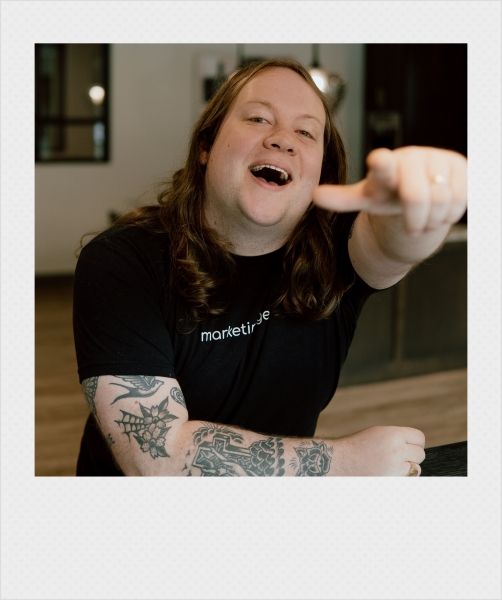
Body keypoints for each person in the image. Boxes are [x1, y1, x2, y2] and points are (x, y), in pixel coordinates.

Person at [73, 58, 467, 477]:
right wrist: (345, 464)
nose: (283, 139)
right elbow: (159, 459)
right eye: (259, 118)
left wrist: (421, 208)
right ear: (206, 146)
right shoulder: (123, 260)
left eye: (305, 131)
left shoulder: (335, 250)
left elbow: (392, 244)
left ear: (320, 172)